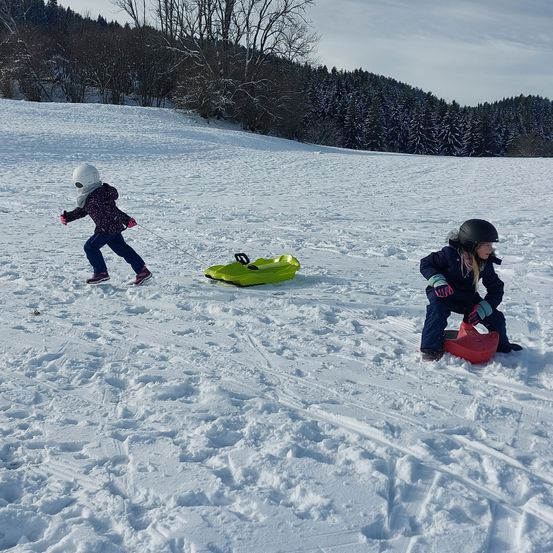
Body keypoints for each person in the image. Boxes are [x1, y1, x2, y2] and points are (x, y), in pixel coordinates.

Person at [420, 219, 522, 361]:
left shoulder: (484, 264)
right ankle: (430, 350)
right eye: (487, 245)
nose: (491, 249)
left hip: (467, 297)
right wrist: (438, 281)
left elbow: (496, 288)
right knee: (437, 310)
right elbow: (426, 263)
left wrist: (483, 308)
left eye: (491, 245)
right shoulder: (449, 254)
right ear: (472, 244)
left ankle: (502, 346)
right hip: (443, 293)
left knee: (496, 317)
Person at [60, 163, 152, 285]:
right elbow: (83, 210)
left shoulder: (97, 196)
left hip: (106, 229)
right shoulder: (94, 194)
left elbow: (112, 210)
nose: (77, 187)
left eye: (78, 184)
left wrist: (126, 219)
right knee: (123, 250)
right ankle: (142, 271)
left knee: (90, 247)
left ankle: (101, 273)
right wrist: (68, 217)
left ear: (85, 181)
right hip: (113, 228)